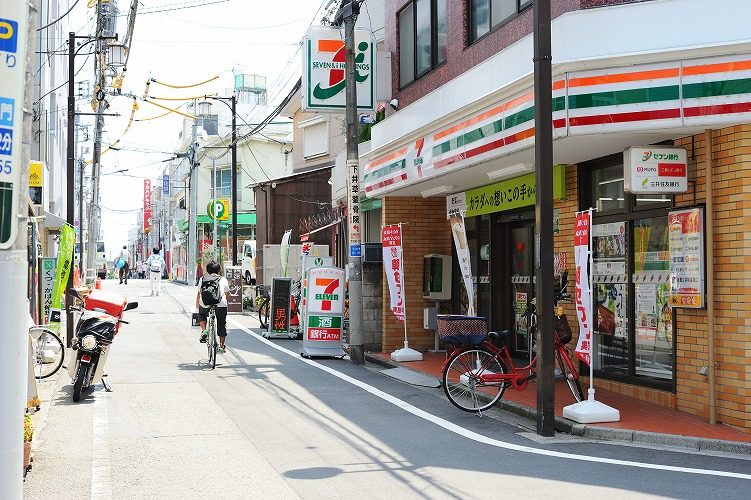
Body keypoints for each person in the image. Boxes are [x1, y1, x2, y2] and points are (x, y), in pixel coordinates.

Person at [196, 260, 230, 353]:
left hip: (205, 302)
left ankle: (204, 331)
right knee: (221, 324)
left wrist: (197, 307)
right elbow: (228, 293)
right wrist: (224, 301)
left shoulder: (202, 279)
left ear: (207, 270)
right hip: (220, 303)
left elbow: (199, 294)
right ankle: (221, 347)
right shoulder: (223, 279)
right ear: (219, 270)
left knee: (202, 314)